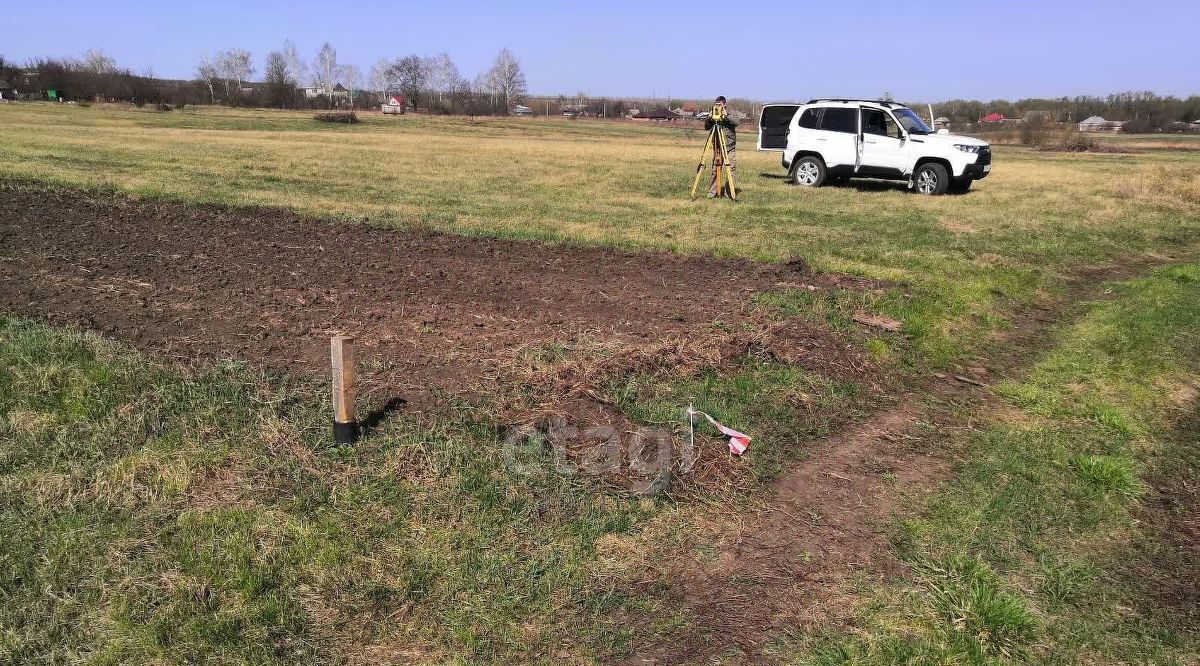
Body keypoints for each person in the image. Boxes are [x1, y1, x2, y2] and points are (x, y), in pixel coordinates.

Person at [705, 95, 738, 198]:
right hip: (718, 148)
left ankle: (729, 193)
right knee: (715, 169)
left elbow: (737, 122)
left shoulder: (730, 113)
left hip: (729, 148)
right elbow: (706, 127)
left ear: (725, 104)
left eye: (720, 104)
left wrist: (726, 115)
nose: (718, 106)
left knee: (730, 170)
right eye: (716, 104)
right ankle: (712, 192)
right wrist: (709, 118)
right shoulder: (714, 112)